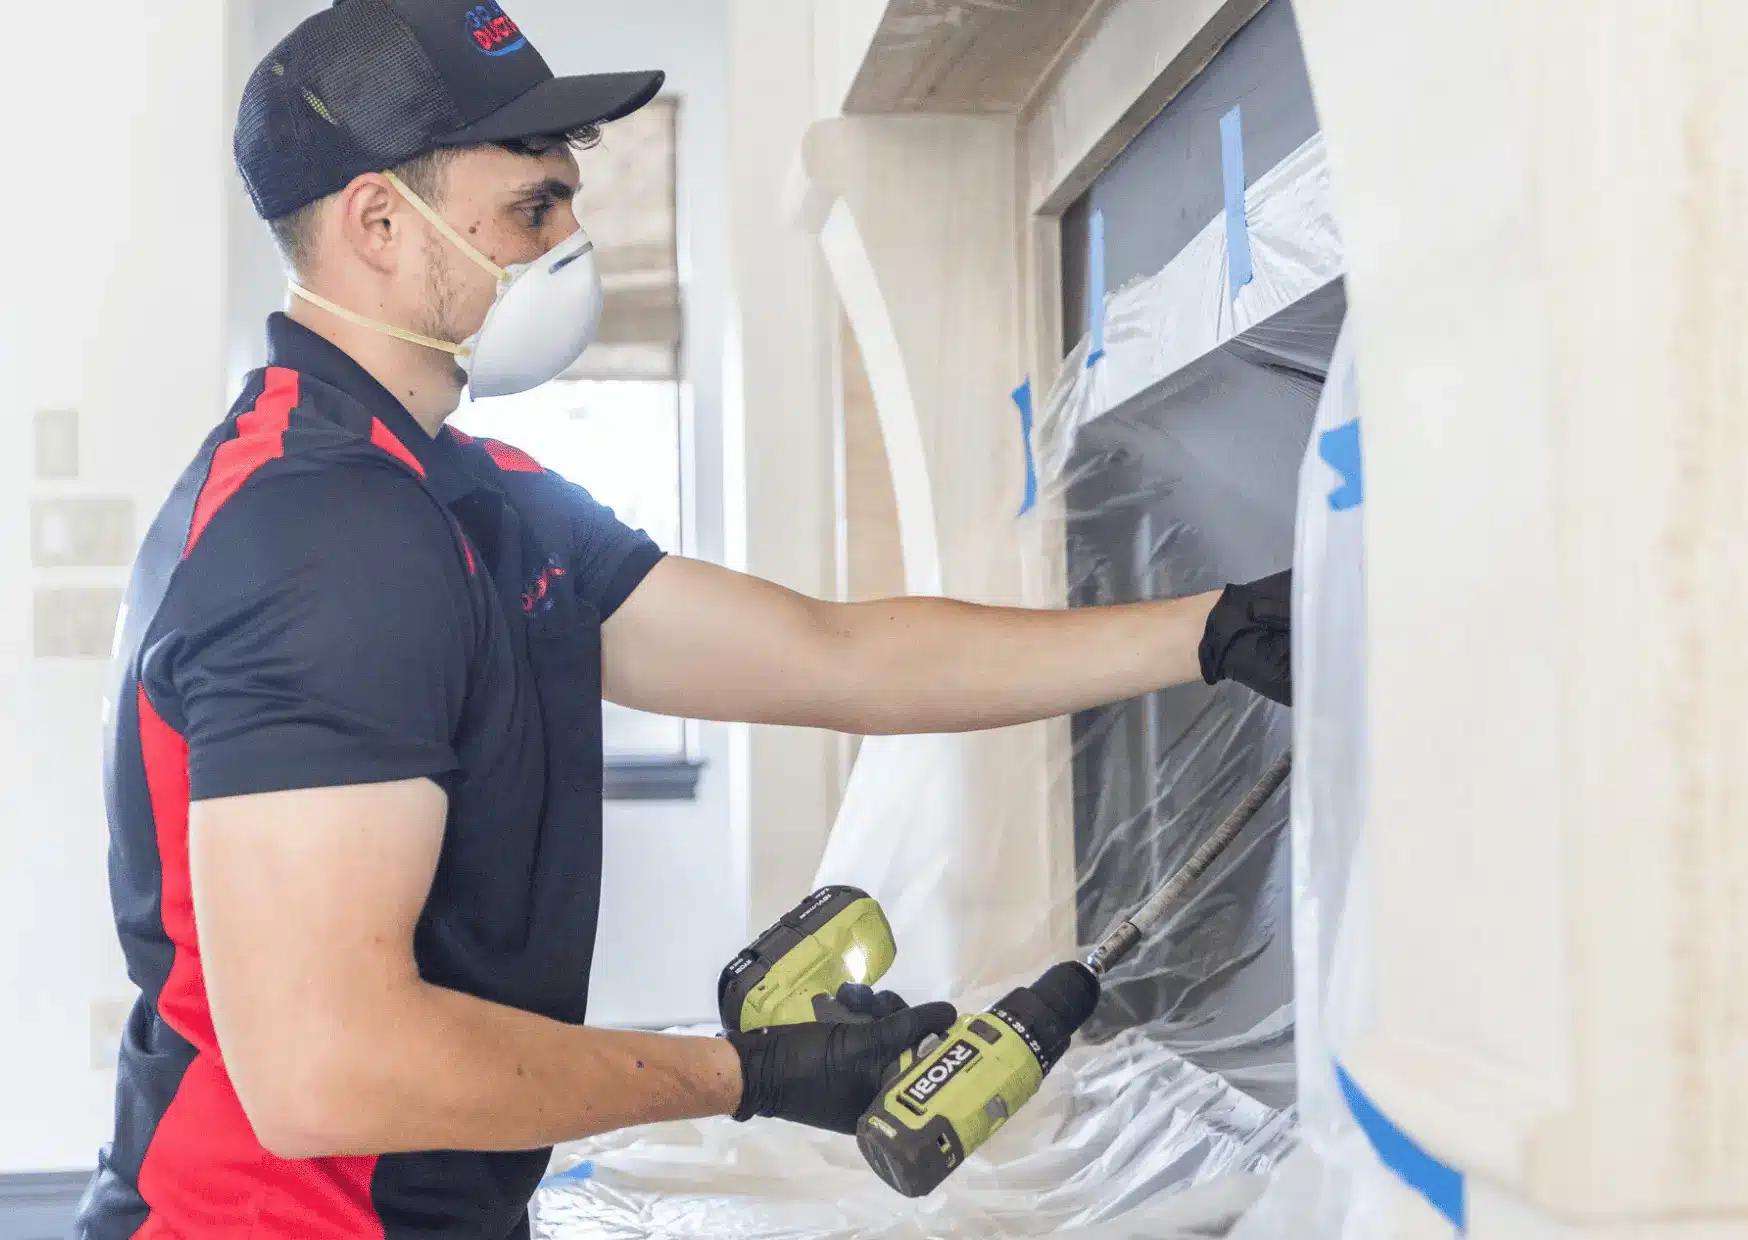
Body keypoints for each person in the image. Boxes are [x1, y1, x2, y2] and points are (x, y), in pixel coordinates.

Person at [78, 2, 1293, 1237]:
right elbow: (328, 1069)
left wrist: (1209, 629)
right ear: (379, 221)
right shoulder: (318, 536)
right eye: (531, 212)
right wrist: (748, 1074)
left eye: (570, 203)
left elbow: (837, 655)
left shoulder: (475, 496)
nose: (572, 244)